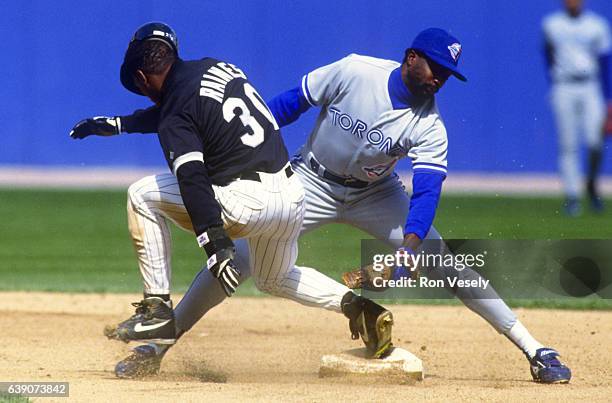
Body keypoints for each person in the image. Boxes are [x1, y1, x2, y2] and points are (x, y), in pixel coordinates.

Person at [72, 27, 571, 384]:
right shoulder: (356, 71)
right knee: (243, 262)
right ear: (411, 57)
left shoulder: (429, 125)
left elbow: (426, 190)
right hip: (308, 180)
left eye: (448, 74)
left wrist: (412, 245)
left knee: (448, 263)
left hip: (377, 195)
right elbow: (285, 106)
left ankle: (534, 348)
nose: (439, 79)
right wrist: (253, 155)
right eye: (435, 67)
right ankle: (158, 345)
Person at [71, 21, 394, 367]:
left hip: (245, 203)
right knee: (275, 277)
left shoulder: (175, 114)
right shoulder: (215, 68)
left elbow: (192, 177)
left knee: (141, 195)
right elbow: (190, 108)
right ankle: (359, 307)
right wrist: (122, 124)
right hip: (290, 196)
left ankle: (156, 307)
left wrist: (215, 244)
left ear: (141, 76)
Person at [542, 0, 611, 216]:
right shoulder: (552, 24)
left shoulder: (596, 25)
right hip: (564, 85)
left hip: (590, 85)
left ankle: (591, 184)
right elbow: (548, 54)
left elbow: (605, 61)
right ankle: (572, 196)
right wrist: (555, 80)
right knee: (568, 143)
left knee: (595, 141)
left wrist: (609, 98)